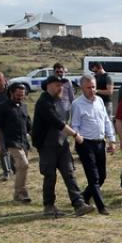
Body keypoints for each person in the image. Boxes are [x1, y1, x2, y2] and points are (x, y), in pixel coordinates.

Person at [31, 74, 87, 218]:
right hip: (47, 145)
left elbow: (64, 121)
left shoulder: (59, 102)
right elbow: (57, 122)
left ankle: (79, 204)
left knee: (69, 173)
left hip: (62, 143)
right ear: (48, 86)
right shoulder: (44, 102)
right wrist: (75, 135)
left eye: (61, 85)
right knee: (50, 175)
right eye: (57, 85)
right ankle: (49, 206)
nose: (61, 88)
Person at [69, 75, 117, 215]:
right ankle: (101, 207)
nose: (92, 90)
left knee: (102, 176)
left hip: (100, 142)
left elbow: (106, 121)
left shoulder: (100, 101)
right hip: (85, 143)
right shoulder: (77, 104)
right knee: (93, 177)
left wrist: (112, 139)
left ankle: (83, 197)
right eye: (88, 88)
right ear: (82, 88)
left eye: (93, 87)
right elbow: (75, 125)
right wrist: (77, 138)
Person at [0, 83, 33, 204]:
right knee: (24, 165)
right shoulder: (3, 107)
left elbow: (29, 126)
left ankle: (19, 193)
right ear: (11, 93)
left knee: (21, 168)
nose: (20, 97)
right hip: (11, 142)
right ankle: (21, 193)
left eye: (22, 95)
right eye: (18, 94)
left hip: (23, 142)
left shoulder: (24, 107)